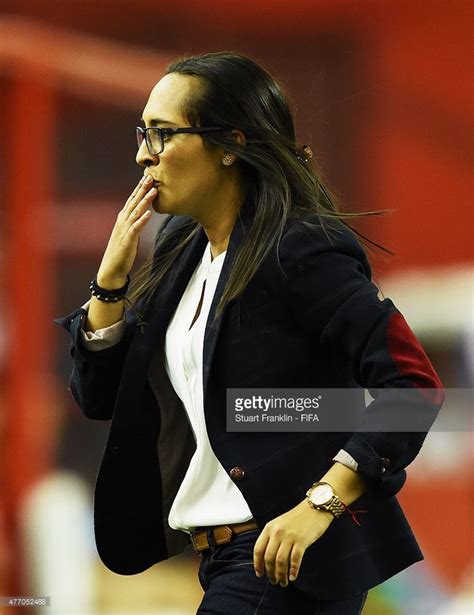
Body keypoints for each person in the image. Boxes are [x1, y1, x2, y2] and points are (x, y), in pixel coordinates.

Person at [54, 52, 445, 614]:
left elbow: (411, 384)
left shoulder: (300, 247)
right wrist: (110, 282)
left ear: (230, 145)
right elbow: (97, 397)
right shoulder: (180, 251)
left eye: (163, 133)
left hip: (284, 561)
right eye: (144, 132)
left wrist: (321, 505)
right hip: (217, 560)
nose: (144, 153)